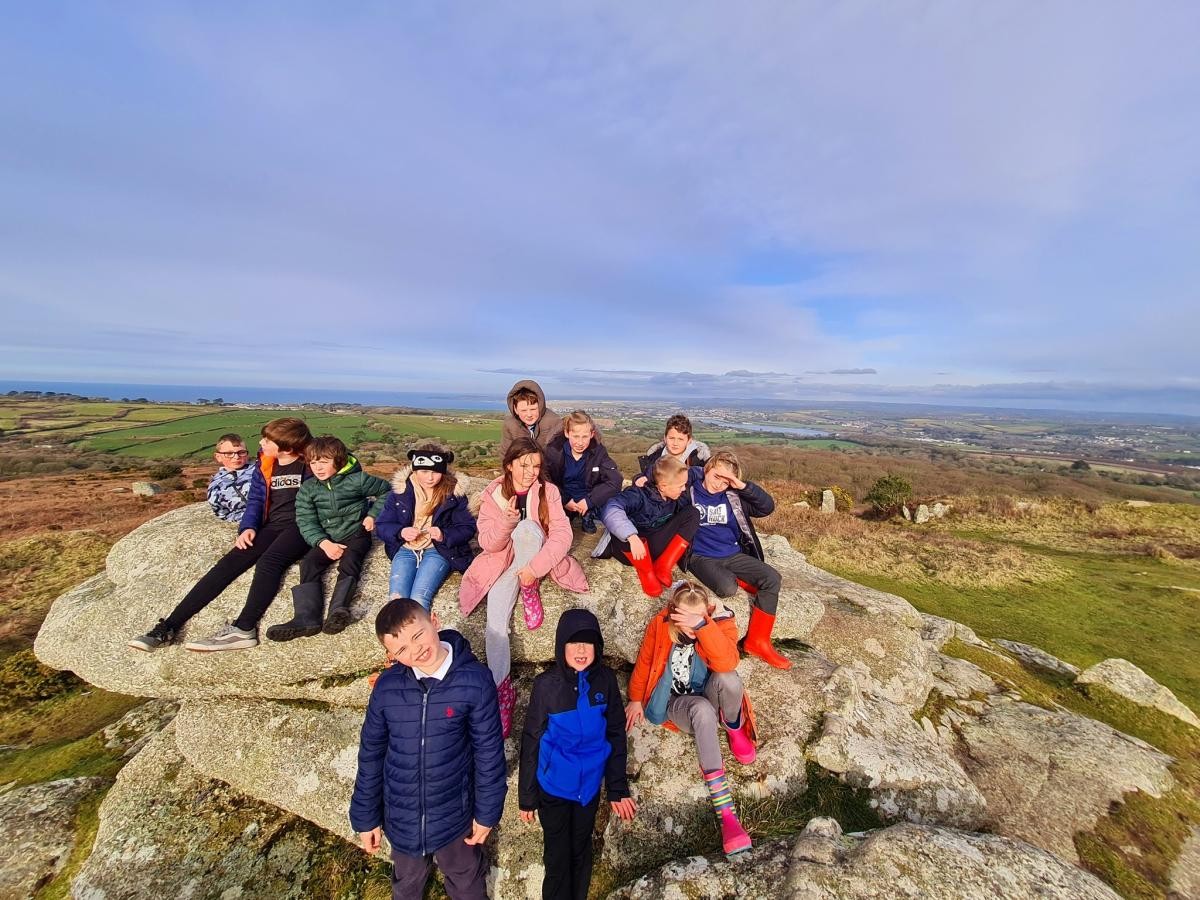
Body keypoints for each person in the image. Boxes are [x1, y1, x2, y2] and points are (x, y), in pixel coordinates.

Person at [350, 598, 506, 900]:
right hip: (402, 816)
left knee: (466, 880)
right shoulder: (387, 687)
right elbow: (371, 753)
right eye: (402, 650)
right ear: (392, 656)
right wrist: (366, 817)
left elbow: (488, 753)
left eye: (417, 635)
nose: (416, 649)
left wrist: (487, 813)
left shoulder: (475, 681)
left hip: (454, 815)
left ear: (434, 621)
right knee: (407, 883)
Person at [128, 417, 313, 653]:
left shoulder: (312, 462)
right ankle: (168, 627)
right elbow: (256, 499)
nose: (261, 443)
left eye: (267, 440)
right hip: (273, 525)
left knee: (270, 562)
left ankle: (244, 629)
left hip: (303, 525)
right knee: (226, 565)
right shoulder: (267, 462)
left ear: (287, 447)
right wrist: (248, 527)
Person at [459, 436, 588, 738]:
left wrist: (534, 570)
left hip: (535, 560)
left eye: (536, 465)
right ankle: (502, 690)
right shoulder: (493, 494)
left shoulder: (549, 492)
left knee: (530, 528)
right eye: (524, 465)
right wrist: (505, 522)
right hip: (505, 565)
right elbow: (488, 544)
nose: (531, 472)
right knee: (495, 624)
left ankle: (529, 587)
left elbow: (561, 535)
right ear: (509, 465)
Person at [625, 581, 757, 858]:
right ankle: (727, 816)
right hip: (677, 703)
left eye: (695, 617)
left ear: (706, 612)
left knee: (730, 680)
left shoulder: (718, 623)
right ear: (673, 611)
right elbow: (646, 660)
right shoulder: (661, 624)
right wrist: (636, 698)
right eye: (683, 616)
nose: (687, 624)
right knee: (702, 711)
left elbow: (726, 662)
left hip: (708, 691)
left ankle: (734, 728)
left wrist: (703, 626)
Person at [519, 608, 636, 900]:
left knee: (581, 851)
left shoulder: (605, 681)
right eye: (574, 642)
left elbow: (615, 733)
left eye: (588, 642)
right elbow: (531, 739)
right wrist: (527, 796)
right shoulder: (547, 686)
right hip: (555, 788)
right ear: (561, 646)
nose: (582, 650)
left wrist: (617, 787)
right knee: (557, 858)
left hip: (589, 788)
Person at [267, 436, 391, 641]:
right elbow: (305, 519)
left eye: (324, 462)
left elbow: (386, 491)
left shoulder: (358, 480)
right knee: (309, 563)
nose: (318, 467)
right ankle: (306, 618)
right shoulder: (309, 488)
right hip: (327, 537)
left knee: (351, 561)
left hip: (356, 532)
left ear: (339, 461)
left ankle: (338, 611)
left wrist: (372, 515)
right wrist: (323, 543)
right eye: (313, 462)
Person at [685, 450, 790, 669]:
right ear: (706, 470)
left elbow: (767, 507)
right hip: (700, 556)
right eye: (716, 477)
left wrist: (740, 485)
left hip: (732, 554)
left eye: (726, 481)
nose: (719, 484)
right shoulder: (689, 491)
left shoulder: (733, 496)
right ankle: (741, 581)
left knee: (772, 578)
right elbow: (664, 475)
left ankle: (757, 641)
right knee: (727, 588)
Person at [375, 445, 476, 611]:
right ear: (414, 470)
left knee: (419, 597)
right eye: (424, 472)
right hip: (406, 549)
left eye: (435, 472)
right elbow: (382, 525)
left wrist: (444, 534)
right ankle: (399, 636)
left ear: (443, 471)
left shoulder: (454, 494)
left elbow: (467, 527)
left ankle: (420, 635)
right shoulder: (399, 492)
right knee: (396, 597)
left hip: (438, 550)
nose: (430, 477)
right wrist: (400, 532)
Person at [595, 456, 699, 598]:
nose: (684, 488)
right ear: (663, 486)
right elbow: (611, 508)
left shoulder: (674, 487)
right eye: (680, 486)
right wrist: (631, 536)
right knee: (621, 529)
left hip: (656, 545)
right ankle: (647, 573)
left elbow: (697, 472)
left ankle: (664, 566)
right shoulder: (638, 494)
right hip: (634, 553)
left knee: (693, 513)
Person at [541, 410, 621, 534]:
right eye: (576, 436)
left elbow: (615, 480)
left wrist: (589, 502)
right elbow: (545, 478)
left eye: (584, 437)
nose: (580, 442)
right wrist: (565, 500)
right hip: (562, 497)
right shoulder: (553, 451)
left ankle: (588, 513)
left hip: (588, 498)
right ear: (567, 433)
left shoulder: (598, 452)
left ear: (592, 434)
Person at [633, 414, 711, 488]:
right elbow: (644, 478)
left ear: (689, 441)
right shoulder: (654, 458)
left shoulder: (698, 463)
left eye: (680, 439)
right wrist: (638, 479)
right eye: (671, 438)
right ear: (665, 438)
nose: (675, 443)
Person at [500, 379, 563, 456]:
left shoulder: (554, 422)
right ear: (515, 410)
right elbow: (506, 455)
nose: (529, 414)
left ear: (540, 406)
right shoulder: (510, 425)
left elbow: (558, 456)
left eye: (533, 409)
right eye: (523, 410)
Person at [206, 433, 254, 523]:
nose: (236, 457)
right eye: (229, 453)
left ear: (247, 454)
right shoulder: (216, 485)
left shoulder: (261, 471)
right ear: (218, 457)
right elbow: (221, 512)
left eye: (241, 452)